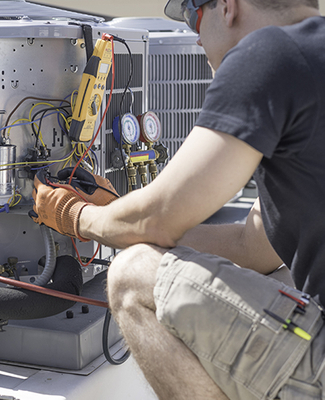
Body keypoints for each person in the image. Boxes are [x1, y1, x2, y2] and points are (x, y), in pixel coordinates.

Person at [30, 0, 325, 398]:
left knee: (132, 275)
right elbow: (253, 247)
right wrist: (117, 213)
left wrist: (76, 215)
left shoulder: (269, 52)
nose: (196, 36)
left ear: (228, 7)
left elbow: (158, 219)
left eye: (192, 16)